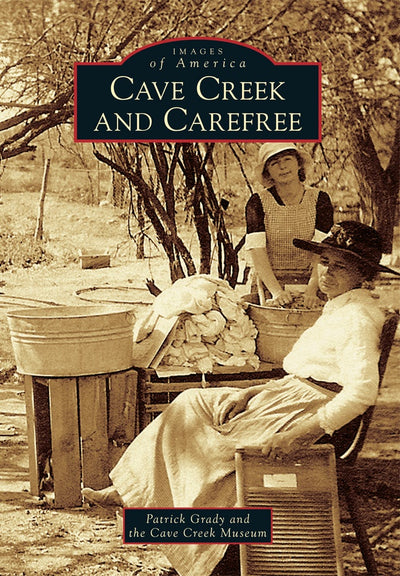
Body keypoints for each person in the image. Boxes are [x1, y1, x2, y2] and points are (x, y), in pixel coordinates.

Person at [82, 221, 399, 576]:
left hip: (316, 415)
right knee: (192, 404)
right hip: (291, 394)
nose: (327, 272)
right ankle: (133, 490)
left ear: (363, 275)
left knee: (213, 447)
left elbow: (360, 392)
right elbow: (311, 371)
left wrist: (302, 433)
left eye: (340, 266)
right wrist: (252, 392)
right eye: (324, 261)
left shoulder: (358, 317)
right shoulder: (340, 305)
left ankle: (192, 544)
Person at [245, 142, 334, 307]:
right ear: (268, 172)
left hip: (313, 281)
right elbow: (257, 251)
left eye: (287, 159)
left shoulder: (320, 200)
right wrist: (276, 292)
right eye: (274, 163)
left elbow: (323, 250)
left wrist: (311, 290)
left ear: (299, 164)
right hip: (269, 283)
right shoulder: (257, 202)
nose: (282, 166)